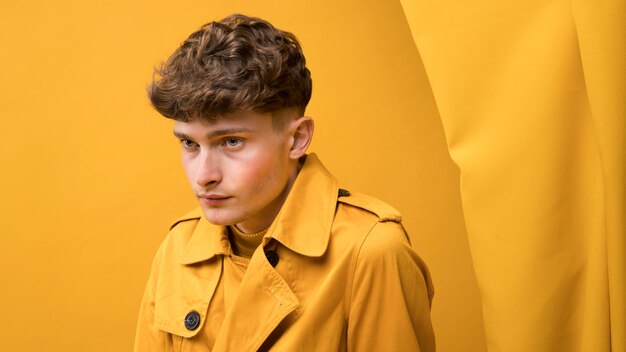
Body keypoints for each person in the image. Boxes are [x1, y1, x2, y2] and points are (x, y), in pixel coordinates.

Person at [134, 14, 435, 351]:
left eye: (231, 141)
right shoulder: (178, 248)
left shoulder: (371, 252)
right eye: (190, 143)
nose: (204, 175)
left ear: (297, 139)